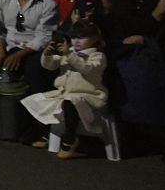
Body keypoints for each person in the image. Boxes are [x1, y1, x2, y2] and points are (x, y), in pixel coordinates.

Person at [22, 21, 108, 159]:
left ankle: (69, 139)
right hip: (64, 93)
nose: (77, 41)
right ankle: (46, 134)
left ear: (95, 39)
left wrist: (69, 54)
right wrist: (48, 54)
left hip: (88, 95)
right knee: (35, 100)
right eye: (74, 38)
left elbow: (87, 69)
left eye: (82, 38)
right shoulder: (69, 53)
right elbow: (49, 66)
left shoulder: (97, 56)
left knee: (70, 101)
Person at [0, 0, 59, 99]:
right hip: (9, 45)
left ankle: (35, 111)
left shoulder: (48, 4)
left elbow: (44, 36)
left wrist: (19, 55)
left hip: (33, 49)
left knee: (35, 66)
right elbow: (1, 30)